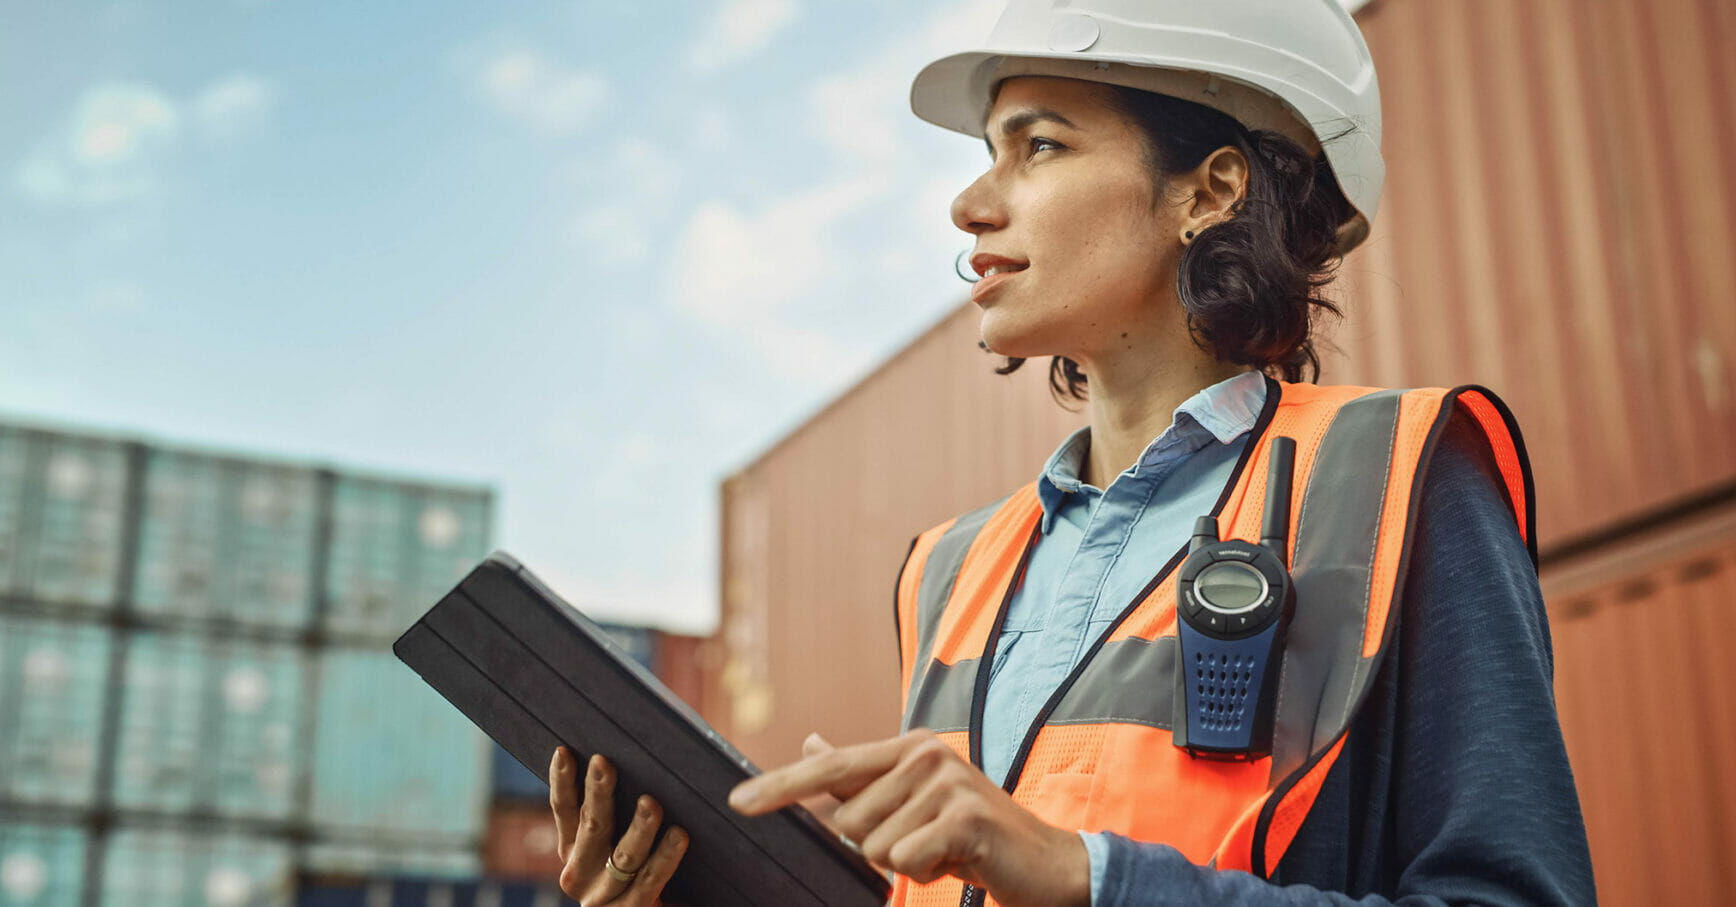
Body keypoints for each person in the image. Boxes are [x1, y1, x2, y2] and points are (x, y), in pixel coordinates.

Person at [546, 1, 1597, 904]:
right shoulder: (950, 571)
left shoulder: (1399, 477)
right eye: (985, 154)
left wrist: (1089, 876)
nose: (970, 204)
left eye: (1038, 145)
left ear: (1209, 190)